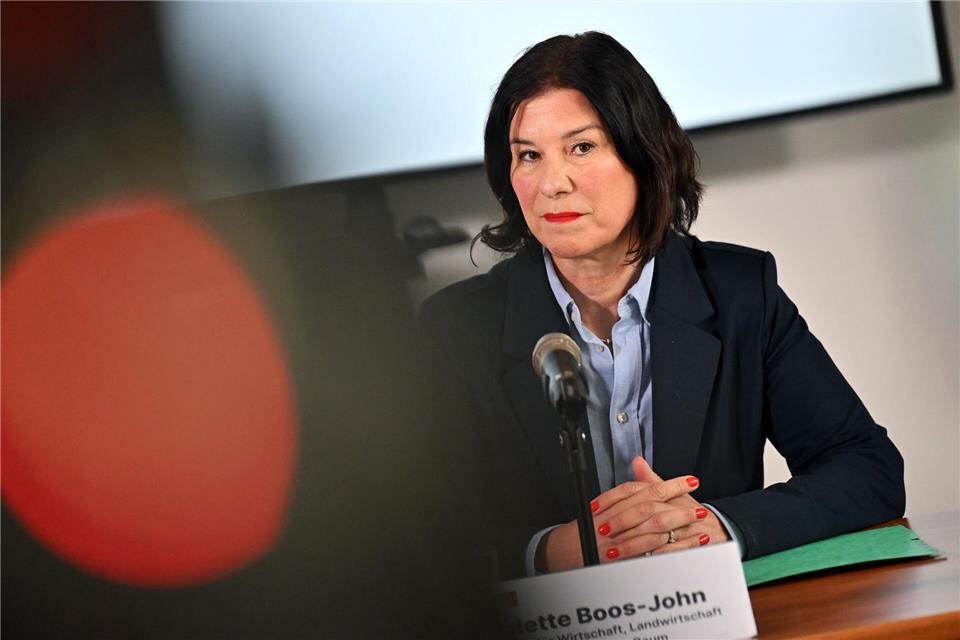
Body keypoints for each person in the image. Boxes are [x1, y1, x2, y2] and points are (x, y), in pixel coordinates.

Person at [420, 31, 904, 580]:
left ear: (644, 154)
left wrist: (713, 525)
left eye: (583, 147)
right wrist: (552, 551)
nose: (552, 183)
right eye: (528, 155)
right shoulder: (455, 328)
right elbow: (406, 538)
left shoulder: (740, 293)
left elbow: (867, 469)